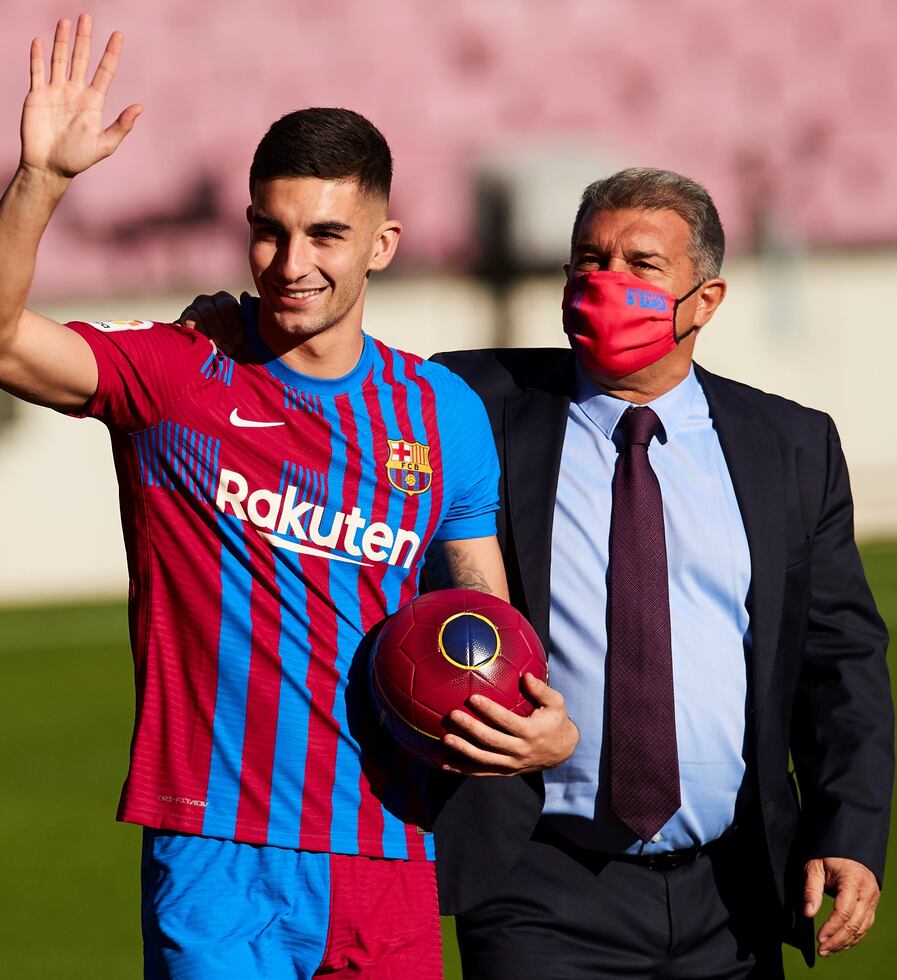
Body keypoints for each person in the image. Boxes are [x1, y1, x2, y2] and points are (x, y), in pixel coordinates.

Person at [0, 16, 577, 979]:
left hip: (388, 843)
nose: (291, 261)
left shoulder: (440, 415)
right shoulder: (180, 377)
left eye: (326, 234)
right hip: (215, 847)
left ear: (382, 244)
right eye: (269, 231)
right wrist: (41, 181)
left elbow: (486, 630)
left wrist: (540, 727)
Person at [426, 168, 894, 978]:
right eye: (588, 258)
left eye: (641, 265)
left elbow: (840, 662)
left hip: (736, 890)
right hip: (537, 880)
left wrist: (847, 834)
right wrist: (232, 324)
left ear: (706, 300)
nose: (606, 281)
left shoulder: (791, 445)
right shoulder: (471, 399)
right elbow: (333, 355)